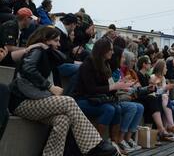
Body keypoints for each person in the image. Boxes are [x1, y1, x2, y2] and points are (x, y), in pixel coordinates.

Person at [8, 27, 116, 156]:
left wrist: (48, 47)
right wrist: (49, 86)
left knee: (63, 119)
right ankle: (94, 146)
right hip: (21, 102)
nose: (59, 44)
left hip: (33, 101)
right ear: (45, 40)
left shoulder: (47, 53)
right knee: (68, 101)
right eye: (56, 40)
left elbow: (63, 58)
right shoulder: (36, 51)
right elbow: (28, 68)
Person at [74, 38, 141, 154]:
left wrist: (121, 86)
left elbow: (109, 88)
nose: (113, 52)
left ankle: (113, 142)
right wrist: (114, 87)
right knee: (109, 109)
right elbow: (91, 89)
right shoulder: (88, 64)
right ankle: (96, 145)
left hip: (96, 99)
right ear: (103, 50)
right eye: (110, 49)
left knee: (117, 108)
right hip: (82, 99)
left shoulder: (105, 64)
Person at [136, 56, 174, 142]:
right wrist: (162, 88)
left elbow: (152, 90)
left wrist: (157, 88)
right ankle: (162, 130)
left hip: (151, 98)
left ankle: (163, 131)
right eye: (149, 63)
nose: (151, 65)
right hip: (142, 98)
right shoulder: (140, 75)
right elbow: (140, 91)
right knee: (157, 99)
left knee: (167, 102)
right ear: (144, 64)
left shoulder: (147, 76)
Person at [150, 59, 174, 140]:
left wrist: (166, 89)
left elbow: (165, 94)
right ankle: (170, 126)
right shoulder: (153, 77)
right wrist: (165, 88)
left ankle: (167, 130)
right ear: (161, 68)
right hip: (156, 100)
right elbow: (154, 92)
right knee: (168, 104)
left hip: (163, 100)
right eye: (165, 67)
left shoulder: (163, 78)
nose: (166, 69)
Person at [54, 13, 80, 94]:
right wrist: (74, 62)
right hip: (58, 65)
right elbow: (58, 54)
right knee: (82, 68)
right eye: (75, 26)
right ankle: (68, 95)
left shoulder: (63, 33)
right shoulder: (58, 32)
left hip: (63, 62)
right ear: (72, 25)